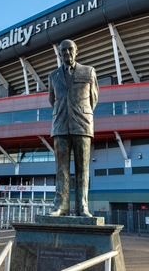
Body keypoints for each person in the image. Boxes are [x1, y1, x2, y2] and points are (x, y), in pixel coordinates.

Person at [48, 39, 99, 217]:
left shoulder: (89, 71)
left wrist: (79, 113)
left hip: (82, 125)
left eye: (70, 50)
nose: (67, 54)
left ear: (76, 51)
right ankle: (60, 206)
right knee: (61, 169)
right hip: (60, 125)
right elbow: (52, 100)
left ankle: (82, 207)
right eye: (63, 51)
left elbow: (93, 100)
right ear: (59, 54)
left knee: (82, 169)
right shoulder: (53, 76)